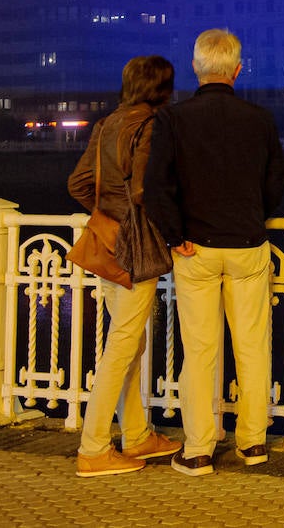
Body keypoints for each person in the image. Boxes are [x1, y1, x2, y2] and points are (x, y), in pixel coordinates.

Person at [144, 29, 284, 477]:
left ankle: (199, 448)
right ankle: (253, 442)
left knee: (201, 351)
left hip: (196, 249)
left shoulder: (174, 119)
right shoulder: (259, 119)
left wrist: (174, 234)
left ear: (195, 67)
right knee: (252, 347)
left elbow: (156, 187)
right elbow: (275, 182)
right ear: (238, 69)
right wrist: (253, 216)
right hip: (247, 245)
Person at [68, 55, 184, 477]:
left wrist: (107, 215)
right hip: (135, 250)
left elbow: (79, 183)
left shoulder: (107, 123)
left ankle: (136, 435)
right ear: (162, 88)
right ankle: (94, 447)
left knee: (128, 343)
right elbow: (143, 190)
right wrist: (168, 227)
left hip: (106, 243)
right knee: (121, 346)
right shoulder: (151, 124)